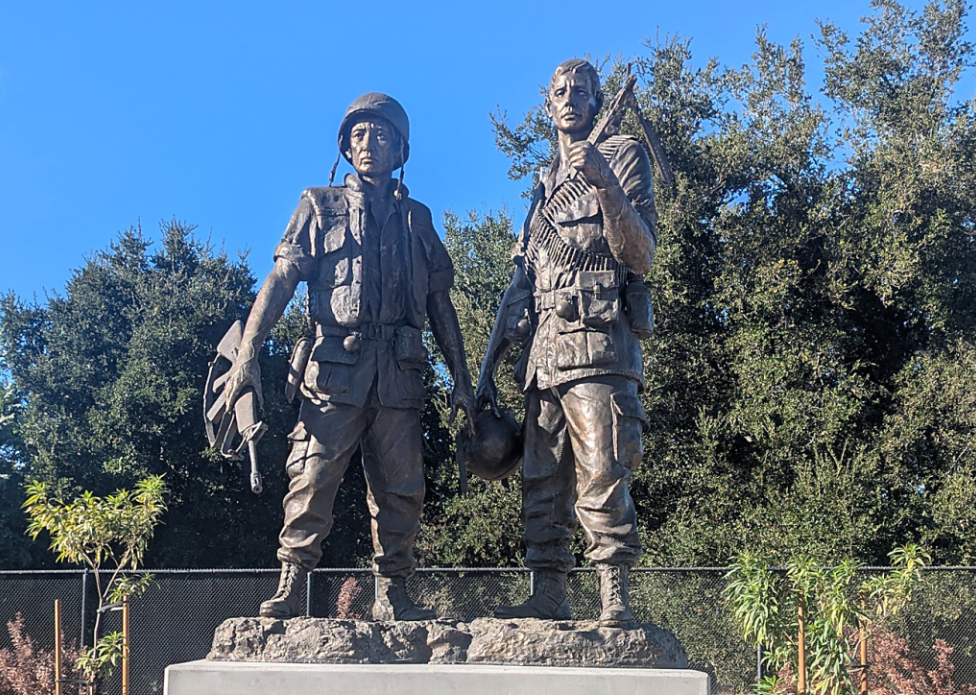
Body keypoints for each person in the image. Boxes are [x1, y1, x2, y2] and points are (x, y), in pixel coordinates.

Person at [212, 93, 475, 620]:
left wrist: (463, 380)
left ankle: (395, 593)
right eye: (358, 135)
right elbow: (281, 280)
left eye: (379, 135)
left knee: (401, 489)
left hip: (400, 373)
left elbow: (439, 303)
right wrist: (246, 356)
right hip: (334, 370)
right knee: (311, 475)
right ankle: (291, 582)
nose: (367, 144)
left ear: (400, 148)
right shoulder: (318, 204)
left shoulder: (417, 219)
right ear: (345, 146)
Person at [475, 59, 657, 626]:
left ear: (597, 101)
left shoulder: (622, 153)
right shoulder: (542, 184)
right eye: (560, 91)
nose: (570, 98)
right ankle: (548, 592)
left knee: (602, 469)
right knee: (542, 476)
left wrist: (603, 180)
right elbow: (521, 282)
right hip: (545, 353)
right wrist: (490, 362)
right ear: (548, 105)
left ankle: (614, 596)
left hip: (599, 343)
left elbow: (639, 253)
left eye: (582, 90)